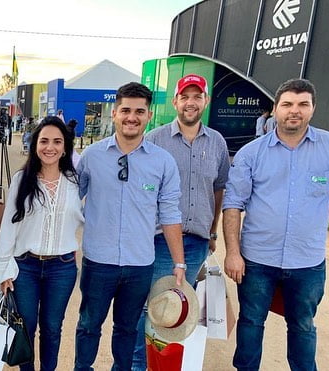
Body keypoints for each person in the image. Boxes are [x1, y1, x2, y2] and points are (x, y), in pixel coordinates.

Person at [74, 82, 186, 370]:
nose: (131, 117)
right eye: (125, 110)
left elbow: (170, 213)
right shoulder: (91, 157)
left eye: (139, 111)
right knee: (88, 326)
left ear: (149, 115)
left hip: (139, 264)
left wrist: (179, 262)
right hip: (99, 262)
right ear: (114, 113)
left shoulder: (163, 162)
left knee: (127, 330)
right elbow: (69, 202)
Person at [223, 78, 329, 371]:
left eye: (302, 104)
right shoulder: (251, 154)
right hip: (258, 260)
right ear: (276, 109)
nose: (294, 111)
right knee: (251, 323)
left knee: (303, 327)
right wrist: (233, 252)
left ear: (312, 108)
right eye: (287, 104)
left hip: (307, 262)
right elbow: (233, 205)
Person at [132, 73, 230, 370]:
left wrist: (212, 231)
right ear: (175, 101)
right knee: (155, 308)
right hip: (161, 240)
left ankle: (165, 365)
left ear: (205, 101)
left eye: (196, 96)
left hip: (198, 241)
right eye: (184, 97)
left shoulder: (216, 142)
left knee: (180, 312)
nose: (190, 102)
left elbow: (219, 188)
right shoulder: (155, 140)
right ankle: (140, 364)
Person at [0, 116, 83, 371]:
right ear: (35, 145)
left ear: (65, 147)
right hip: (26, 267)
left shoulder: (76, 182)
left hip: (62, 268)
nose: (50, 147)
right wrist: (3, 270)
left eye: (57, 141)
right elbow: (9, 226)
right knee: (27, 326)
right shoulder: (23, 179)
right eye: (44, 141)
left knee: (53, 327)